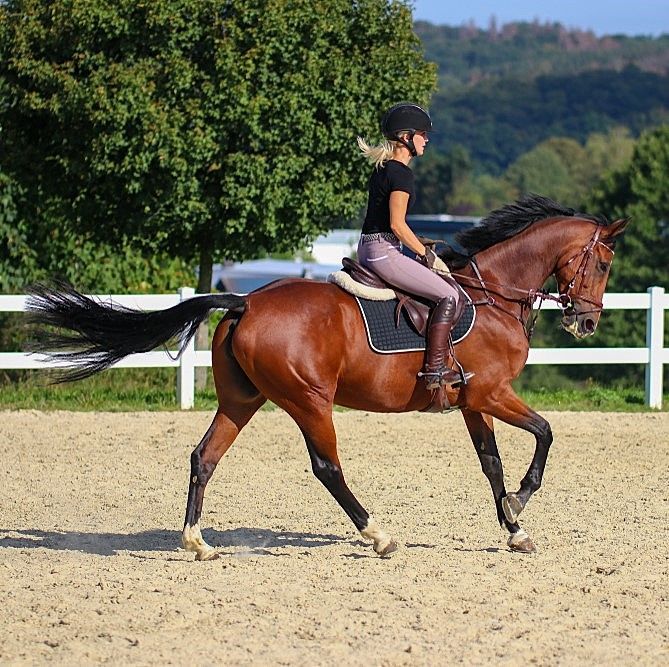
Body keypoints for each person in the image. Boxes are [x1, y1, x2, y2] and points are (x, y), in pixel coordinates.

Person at [357, 102, 463, 390]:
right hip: (383, 252)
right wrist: (426, 254)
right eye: (422, 134)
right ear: (406, 137)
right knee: (448, 294)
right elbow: (397, 225)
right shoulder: (401, 174)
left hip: (370, 248)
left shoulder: (383, 169)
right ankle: (435, 369)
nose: (426, 139)